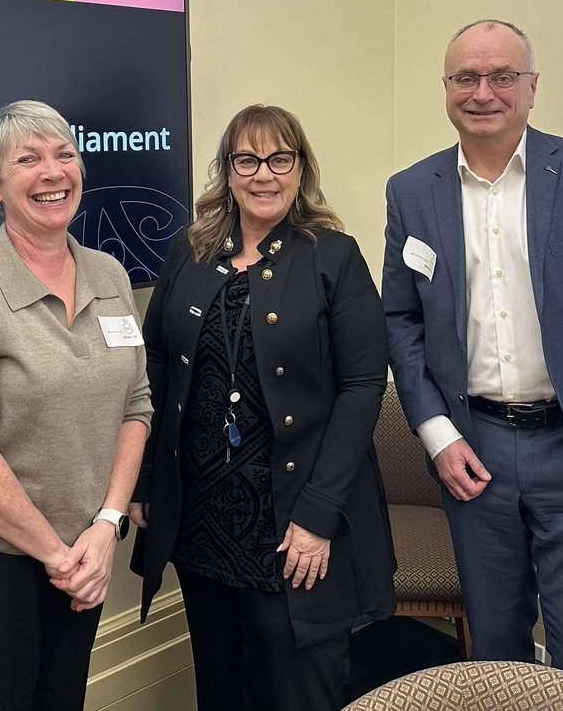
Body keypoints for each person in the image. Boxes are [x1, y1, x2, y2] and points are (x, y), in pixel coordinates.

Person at [382, 20, 563, 688]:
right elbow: (401, 320)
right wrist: (437, 434)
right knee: (495, 652)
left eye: (502, 76)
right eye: (465, 78)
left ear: (532, 87)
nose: (483, 92)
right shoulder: (411, 190)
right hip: (473, 451)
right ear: (446, 88)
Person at [130, 104, 395, 711]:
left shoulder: (334, 256)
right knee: (220, 685)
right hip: (201, 520)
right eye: (247, 160)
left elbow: (362, 386)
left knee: (295, 688)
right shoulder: (191, 251)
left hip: (291, 521)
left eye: (279, 159)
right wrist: (146, 477)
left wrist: (319, 516)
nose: (264, 174)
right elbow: (157, 363)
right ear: (227, 171)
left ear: (301, 168)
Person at [0, 100, 152, 711]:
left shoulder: (109, 274)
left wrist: (106, 526)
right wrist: (58, 558)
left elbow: (136, 405)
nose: (53, 172)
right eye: (28, 160)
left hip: (83, 552)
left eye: (65, 154)